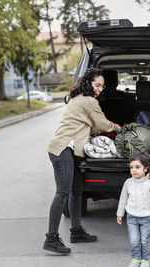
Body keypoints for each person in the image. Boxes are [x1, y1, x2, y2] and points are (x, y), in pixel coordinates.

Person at [44, 68, 120, 254]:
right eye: (97, 85)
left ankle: (76, 232)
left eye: (102, 86)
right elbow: (102, 124)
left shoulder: (79, 98)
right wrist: (119, 128)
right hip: (62, 150)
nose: (100, 89)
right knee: (62, 192)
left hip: (72, 150)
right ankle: (51, 239)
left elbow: (87, 126)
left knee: (76, 191)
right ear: (88, 83)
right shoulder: (88, 101)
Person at [117, 152, 150, 267]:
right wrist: (120, 213)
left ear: (146, 168)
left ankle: (144, 260)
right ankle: (135, 259)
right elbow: (123, 199)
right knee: (134, 241)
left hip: (146, 218)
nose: (134, 170)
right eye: (131, 167)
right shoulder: (128, 183)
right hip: (132, 217)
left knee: (144, 240)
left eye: (137, 167)